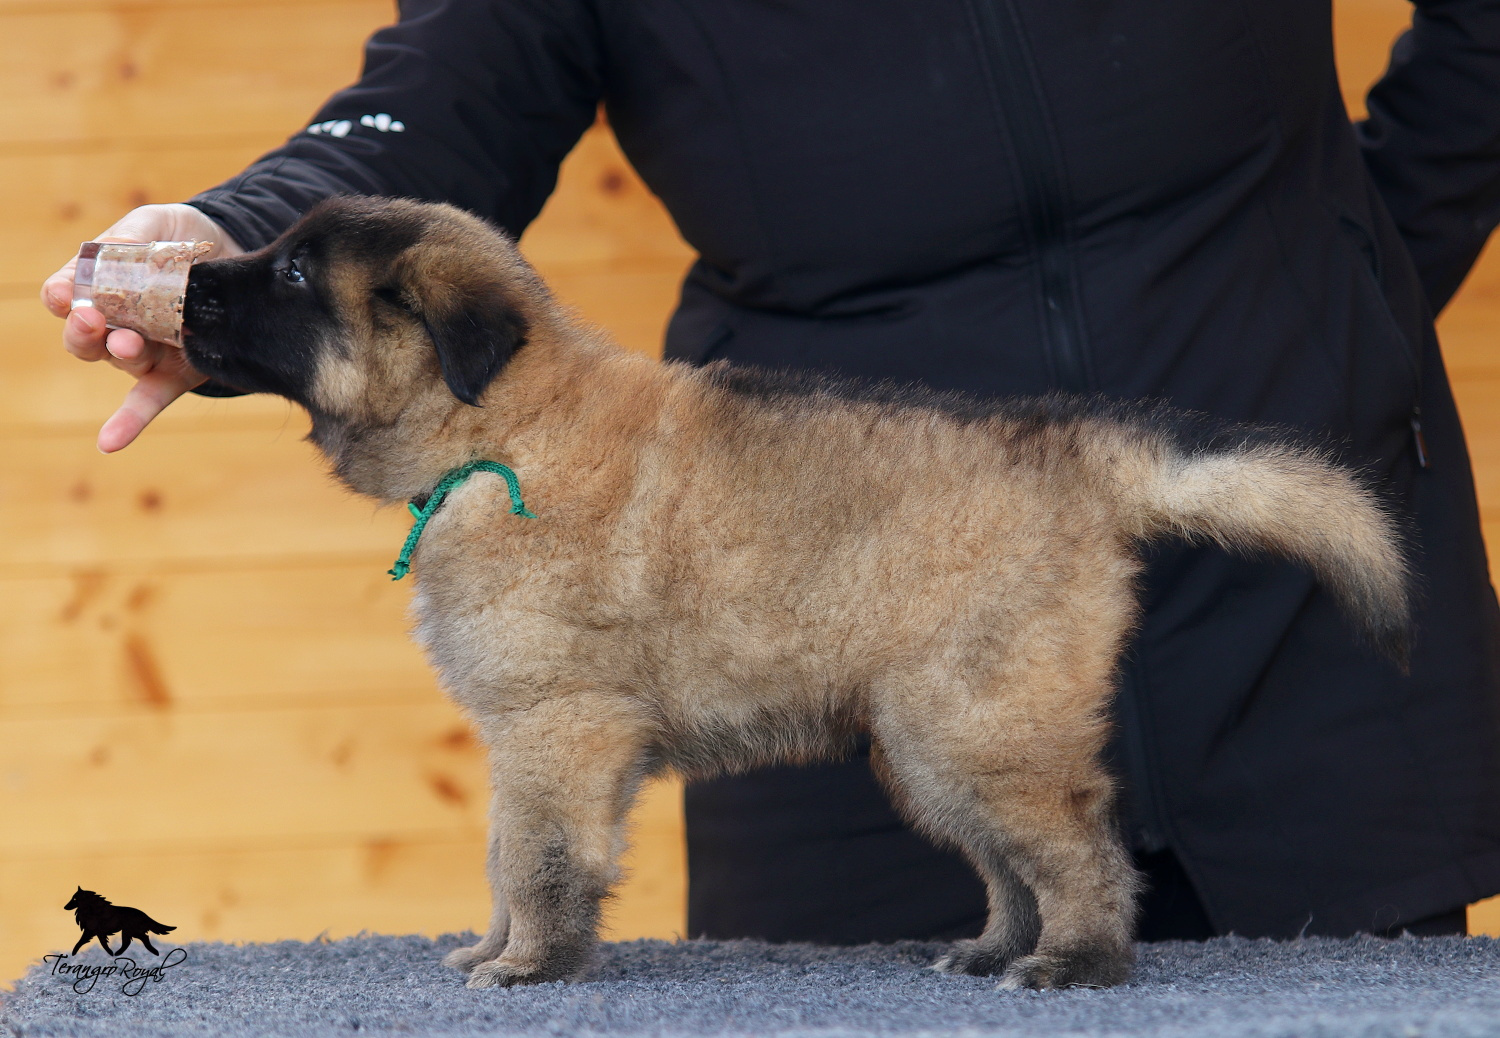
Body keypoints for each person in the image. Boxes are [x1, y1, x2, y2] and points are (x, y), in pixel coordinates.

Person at [42, 1, 1500, 942]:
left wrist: (1366, 271)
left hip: (1290, 628)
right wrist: (242, 235)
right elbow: (446, 93)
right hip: (816, 630)